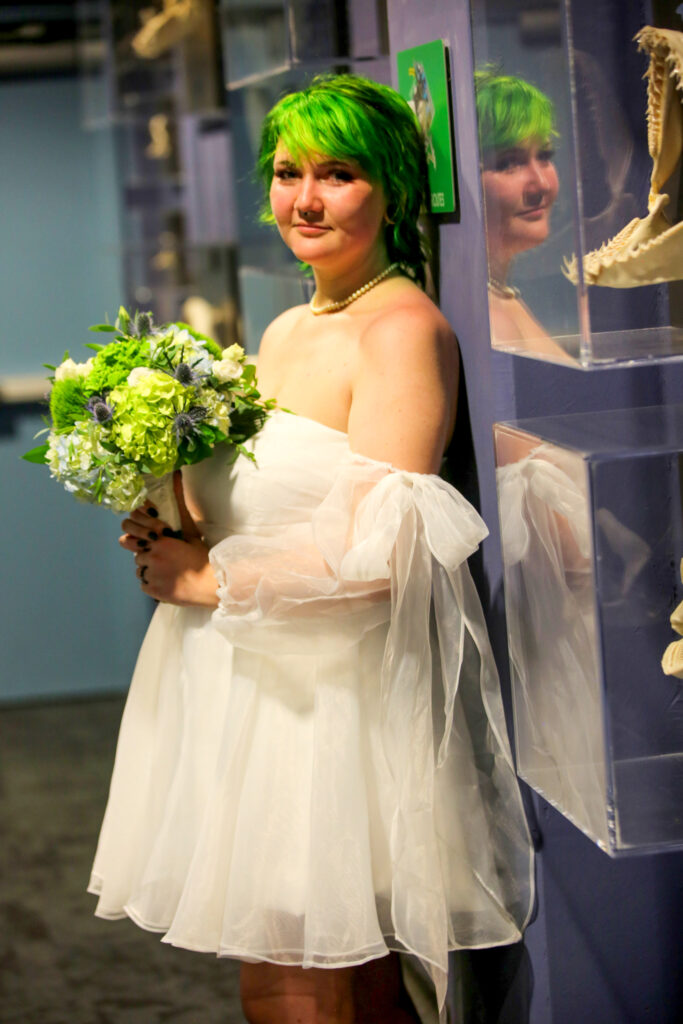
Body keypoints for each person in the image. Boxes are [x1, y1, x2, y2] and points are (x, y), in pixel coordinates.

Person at [89, 74, 533, 1024]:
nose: (305, 199)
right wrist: (176, 515)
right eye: (289, 173)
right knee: (301, 977)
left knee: (301, 985)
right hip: (245, 683)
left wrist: (204, 580)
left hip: (324, 708)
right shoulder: (290, 326)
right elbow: (274, 496)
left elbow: (378, 559)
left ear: (390, 190)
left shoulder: (403, 332)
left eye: (337, 174)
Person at [475, 70, 570, 359]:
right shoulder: (490, 320)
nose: (540, 184)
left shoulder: (501, 297)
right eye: (508, 163)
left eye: (545, 156)